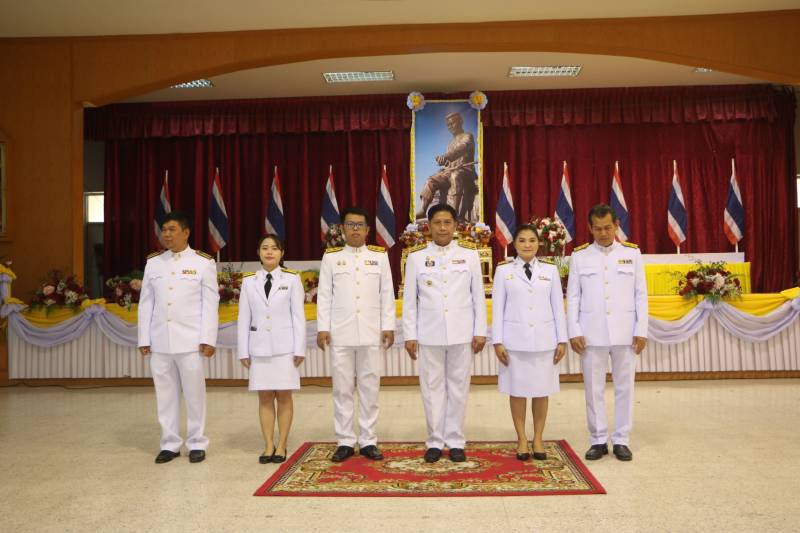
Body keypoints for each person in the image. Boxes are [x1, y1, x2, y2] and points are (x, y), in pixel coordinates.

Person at [402, 203, 487, 463]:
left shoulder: (469, 255)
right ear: (428, 226)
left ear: (455, 225)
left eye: (447, 222)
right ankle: (435, 441)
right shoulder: (416, 258)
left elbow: (478, 296)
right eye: (437, 223)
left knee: (459, 388)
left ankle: (456, 440)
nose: (442, 227)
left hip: (462, 332)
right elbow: (410, 301)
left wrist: (480, 331)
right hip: (429, 333)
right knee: (431, 388)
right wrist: (410, 335)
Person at [566, 204, 648, 462]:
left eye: (608, 228)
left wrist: (641, 329)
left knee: (625, 387)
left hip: (626, 332)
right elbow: (573, 296)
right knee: (593, 389)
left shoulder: (632, 253)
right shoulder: (580, 256)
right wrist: (574, 330)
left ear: (616, 226)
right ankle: (598, 439)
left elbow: (640, 294)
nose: (603, 233)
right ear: (590, 228)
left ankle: (622, 439)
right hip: (591, 333)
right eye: (598, 228)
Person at [137, 211, 219, 464]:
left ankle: (197, 442)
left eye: (172, 229)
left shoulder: (203, 262)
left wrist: (208, 338)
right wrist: (144, 338)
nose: (167, 234)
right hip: (160, 340)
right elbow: (146, 302)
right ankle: (170, 443)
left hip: (190, 340)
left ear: (186, 232)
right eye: (164, 230)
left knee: (194, 394)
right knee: (165, 394)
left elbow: (210, 303)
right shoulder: (154, 263)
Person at [316, 206, 395, 463]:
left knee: (370, 388)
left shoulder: (379, 257)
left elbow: (387, 294)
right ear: (342, 229)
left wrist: (388, 325)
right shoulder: (331, 258)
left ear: (368, 229)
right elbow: (324, 295)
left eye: (360, 225)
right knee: (342, 389)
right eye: (350, 225)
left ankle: (369, 440)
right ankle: (345, 441)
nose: (355, 229)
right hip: (341, 332)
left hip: (371, 332)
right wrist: (323, 327)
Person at [492, 225, 567, 461]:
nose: (527, 245)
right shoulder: (504, 271)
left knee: (541, 391)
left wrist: (562, 340)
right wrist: (497, 341)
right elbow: (497, 308)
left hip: (544, 341)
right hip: (514, 342)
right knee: (517, 391)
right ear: (514, 244)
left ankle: (538, 438)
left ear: (539, 243)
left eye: (532, 240)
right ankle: (522, 438)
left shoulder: (550, 270)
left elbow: (558, 307)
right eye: (522, 240)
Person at [237, 234, 306, 464]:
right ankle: (268, 444)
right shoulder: (249, 281)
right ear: (258, 252)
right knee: (265, 397)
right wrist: (243, 351)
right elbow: (243, 318)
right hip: (259, 348)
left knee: (284, 396)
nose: (269, 252)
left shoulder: (292, 279)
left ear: (282, 253)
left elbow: (298, 316)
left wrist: (299, 349)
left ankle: (282, 444)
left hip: (285, 348)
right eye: (265, 248)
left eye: (274, 248)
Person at [416, 112, 478, 222]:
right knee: (431, 180)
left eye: (452, 123)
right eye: (448, 125)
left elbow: (461, 149)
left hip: (466, 171)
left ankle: (454, 213)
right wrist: (443, 163)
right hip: (450, 171)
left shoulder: (468, 136)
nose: (450, 127)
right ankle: (423, 210)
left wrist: (446, 156)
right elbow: (450, 162)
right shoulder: (450, 143)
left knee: (456, 175)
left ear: (460, 122)